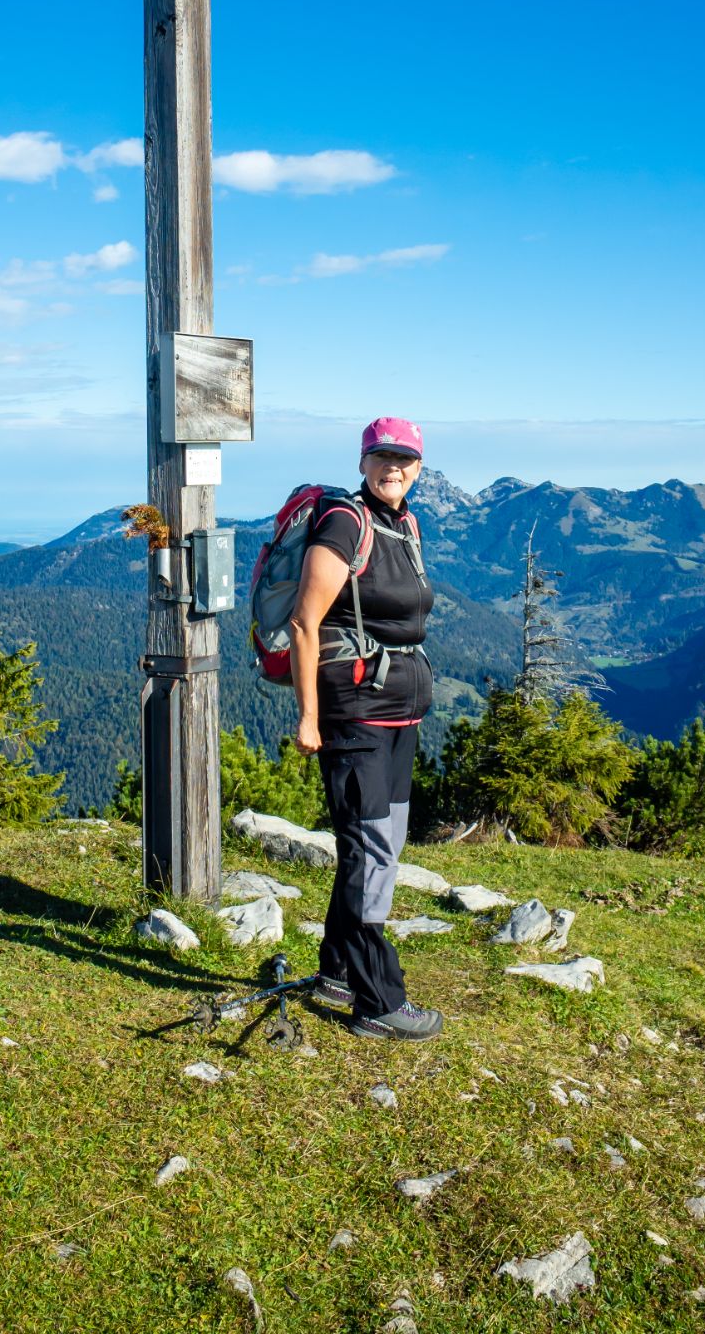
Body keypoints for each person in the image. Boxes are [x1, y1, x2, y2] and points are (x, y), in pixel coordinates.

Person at [289, 416, 442, 1041]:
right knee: (370, 850)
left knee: (382, 844)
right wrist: (308, 716)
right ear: (362, 461)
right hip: (354, 713)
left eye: (405, 458)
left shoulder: (403, 524)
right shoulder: (345, 523)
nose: (394, 466)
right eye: (382, 456)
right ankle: (378, 1001)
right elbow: (304, 622)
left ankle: (335, 972)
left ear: (419, 468)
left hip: (401, 713)